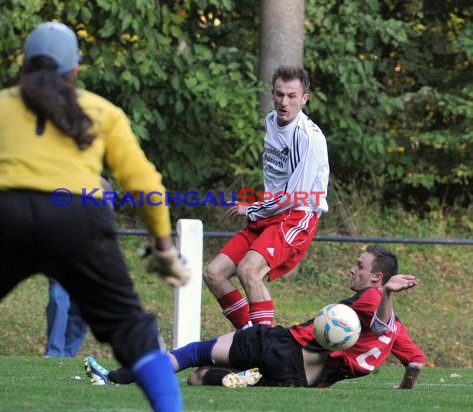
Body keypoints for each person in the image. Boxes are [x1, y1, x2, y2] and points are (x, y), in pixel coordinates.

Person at [0, 21, 190, 412]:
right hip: (76, 217)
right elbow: (146, 184)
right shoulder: (101, 111)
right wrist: (164, 248)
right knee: (130, 329)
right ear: (75, 68)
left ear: (24, 65)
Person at [85, 245, 425, 389]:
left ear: (377, 278)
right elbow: (416, 364)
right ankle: (234, 379)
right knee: (199, 379)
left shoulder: (372, 297)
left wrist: (387, 294)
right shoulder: (396, 330)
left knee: (192, 354)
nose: (353, 268)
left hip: (280, 345)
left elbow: (378, 318)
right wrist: (402, 389)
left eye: (361, 266)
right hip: (296, 382)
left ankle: (113, 377)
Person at [205, 65, 330, 329]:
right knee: (214, 274)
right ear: (272, 94)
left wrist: (252, 209)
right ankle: (251, 336)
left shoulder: (307, 138)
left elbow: (296, 196)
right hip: (270, 212)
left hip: (296, 215)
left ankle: (266, 350)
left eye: (292, 96)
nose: (285, 102)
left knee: (249, 271)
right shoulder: (271, 121)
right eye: (279, 94)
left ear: (304, 98)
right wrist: (261, 209)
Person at [44, 178, 114, 358]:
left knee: (81, 311)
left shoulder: (103, 187)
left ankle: (67, 355)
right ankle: (54, 354)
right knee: (59, 301)